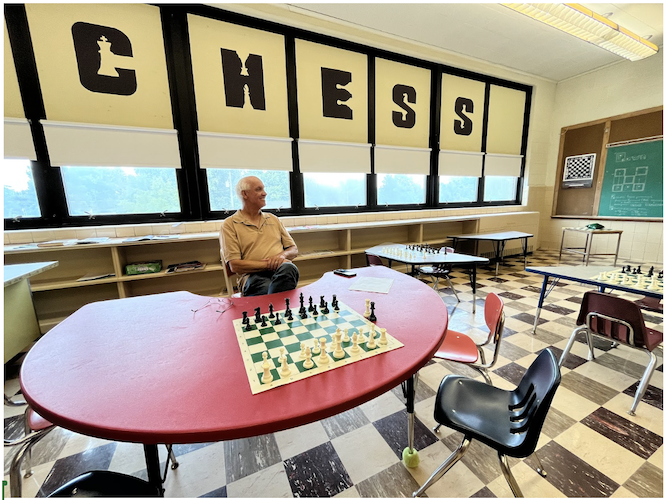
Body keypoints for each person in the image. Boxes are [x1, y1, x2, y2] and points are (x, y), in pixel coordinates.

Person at [220, 176, 299, 296]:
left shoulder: (273, 219)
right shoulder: (229, 224)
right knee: (271, 289)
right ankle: (278, 308)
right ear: (245, 194)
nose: (264, 193)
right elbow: (235, 265)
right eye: (258, 189)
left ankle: (273, 310)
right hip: (252, 277)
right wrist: (270, 264)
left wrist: (282, 256)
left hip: (281, 271)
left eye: (263, 189)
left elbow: (293, 249)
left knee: (289, 268)